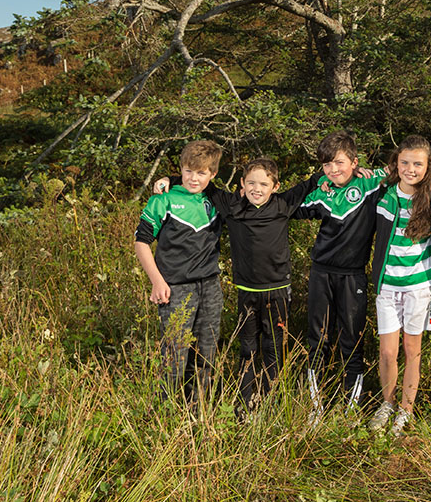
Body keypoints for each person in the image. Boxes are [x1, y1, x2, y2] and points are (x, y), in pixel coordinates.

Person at [155, 158, 325, 414]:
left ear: (275, 186)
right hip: (246, 292)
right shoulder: (232, 206)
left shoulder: (284, 203)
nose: (257, 189)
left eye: (264, 184)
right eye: (251, 183)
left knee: (274, 348)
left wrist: (352, 173)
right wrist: (172, 179)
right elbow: (203, 183)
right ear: (242, 185)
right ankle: (244, 405)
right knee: (247, 348)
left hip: (278, 291)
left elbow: (312, 182)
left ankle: (269, 403)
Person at [294, 131, 388, 414]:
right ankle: (315, 407)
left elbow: (409, 167)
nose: (333, 170)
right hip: (321, 274)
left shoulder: (372, 184)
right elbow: (284, 206)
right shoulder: (322, 191)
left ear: (355, 162)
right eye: (326, 165)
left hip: (353, 276)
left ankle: (350, 411)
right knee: (318, 339)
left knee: (351, 340)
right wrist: (315, 182)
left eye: (339, 162)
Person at [134, 140, 225, 405]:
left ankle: (199, 411)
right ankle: (165, 412)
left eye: (201, 173)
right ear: (181, 169)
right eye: (188, 171)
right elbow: (141, 242)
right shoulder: (164, 199)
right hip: (175, 287)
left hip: (209, 286)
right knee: (175, 353)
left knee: (206, 352)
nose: (193, 178)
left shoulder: (216, 199)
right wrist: (156, 281)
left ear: (212, 174)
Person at [367, 135, 431, 435]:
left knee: (412, 350)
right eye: (405, 162)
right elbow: (355, 177)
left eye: (418, 164)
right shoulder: (382, 192)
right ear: (395, 163)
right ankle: (387, 403)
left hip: (419, 286)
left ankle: (405, 411)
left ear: (427, 167)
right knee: (387, 352)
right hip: (387, 286)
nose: (411, 169)